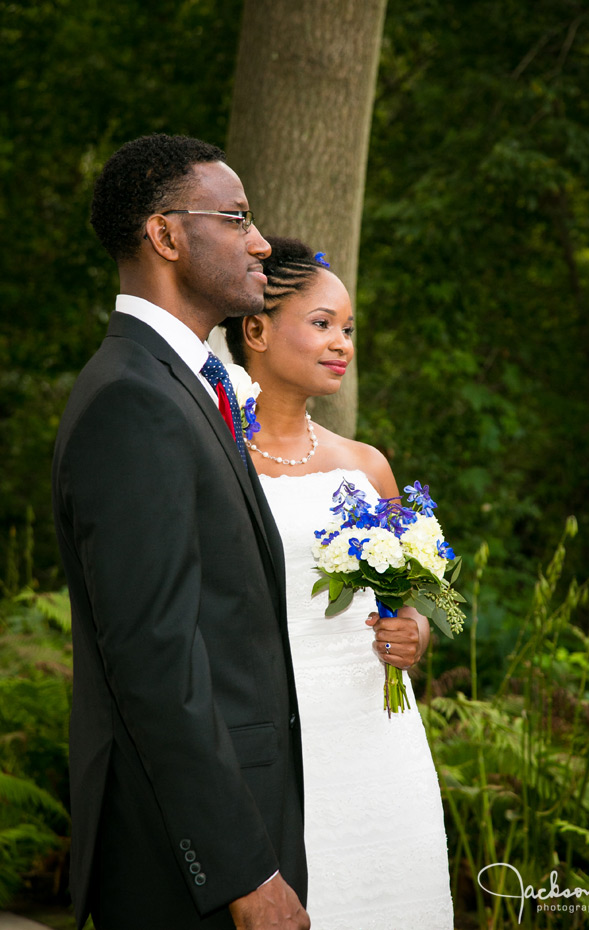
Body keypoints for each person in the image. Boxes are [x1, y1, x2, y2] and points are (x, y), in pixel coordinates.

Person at [51, 136, 309, 930]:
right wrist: (242, 871)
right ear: (165, 237)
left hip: (230, 818)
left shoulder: (182, 384)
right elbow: (155, 662)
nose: (261, 241)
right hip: (182, 859)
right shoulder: (134, 401)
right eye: (236, 218)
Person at [222, 237, 454, 930]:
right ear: (256, 330)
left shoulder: (366, 467)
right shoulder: (219, 464)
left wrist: (412, 634)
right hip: (280, 746)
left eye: (348, 328)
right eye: (322, 323)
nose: (342, 343)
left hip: (379, 739)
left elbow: (407, 612)